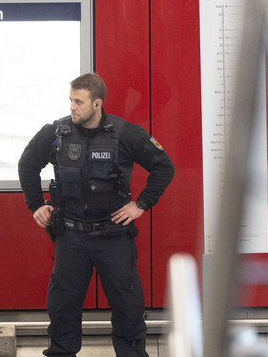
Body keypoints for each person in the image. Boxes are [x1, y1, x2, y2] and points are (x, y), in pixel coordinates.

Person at [18, 72, 175, 357]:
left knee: (128, 307)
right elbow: (27, 163)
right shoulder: (57, 133)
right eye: (70, 100)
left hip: (113, 236)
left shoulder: (126, 134)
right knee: (62, 306)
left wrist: (141, 205)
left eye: (78, 101)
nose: (72, 107)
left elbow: (164, 166)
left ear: (97, 103)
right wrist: (36, 204)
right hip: (70, 236)